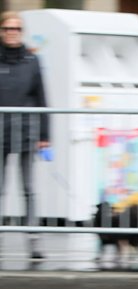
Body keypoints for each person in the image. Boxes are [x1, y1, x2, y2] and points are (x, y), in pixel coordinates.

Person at [0, 11, 49, 259]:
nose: (12, 32)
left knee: (28, 188)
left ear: (22, 32)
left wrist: (44, 134)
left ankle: (33, 240)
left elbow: (42, 97)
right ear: (1, 31)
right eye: (8, 28)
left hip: (27, 131)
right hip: (1, 132)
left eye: (16, 29)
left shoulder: (32, 60)